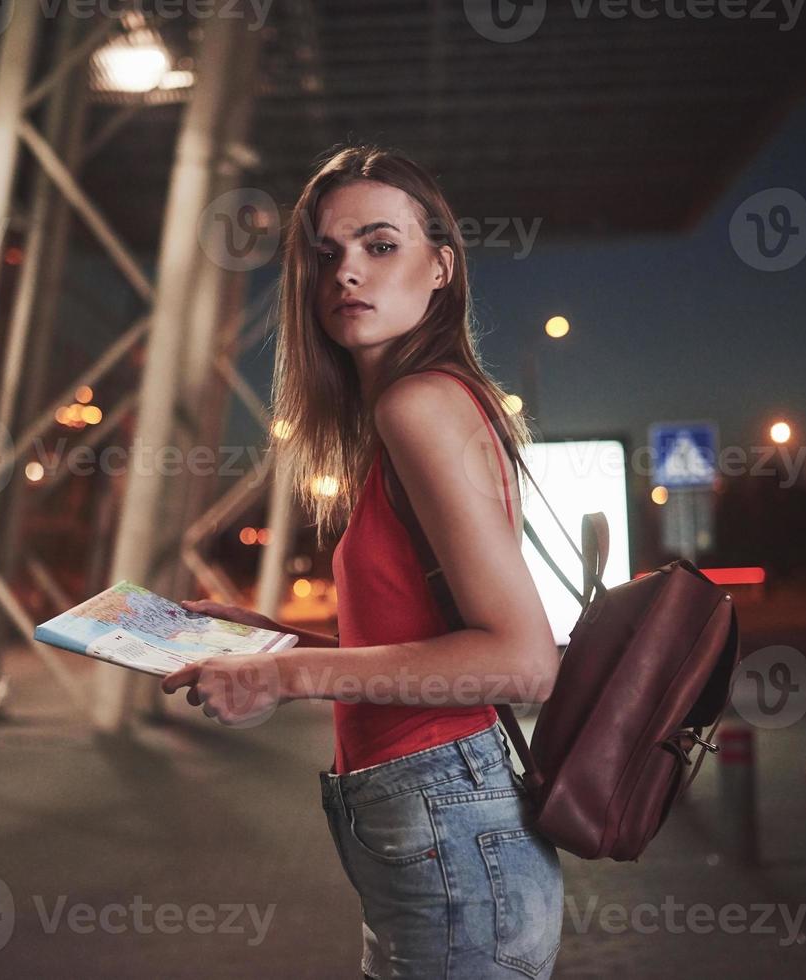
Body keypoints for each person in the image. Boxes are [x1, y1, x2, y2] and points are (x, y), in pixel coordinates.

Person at [162, 145, 564, 978]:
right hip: (430, 829)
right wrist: (272, 642)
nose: (348, 272)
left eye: (380, 246)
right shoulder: (408, 411)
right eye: (326, 254)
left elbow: (520, 662)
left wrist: (280, 680)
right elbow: (419, 648)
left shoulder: (420, 405)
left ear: (440, 268)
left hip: (449, 831)